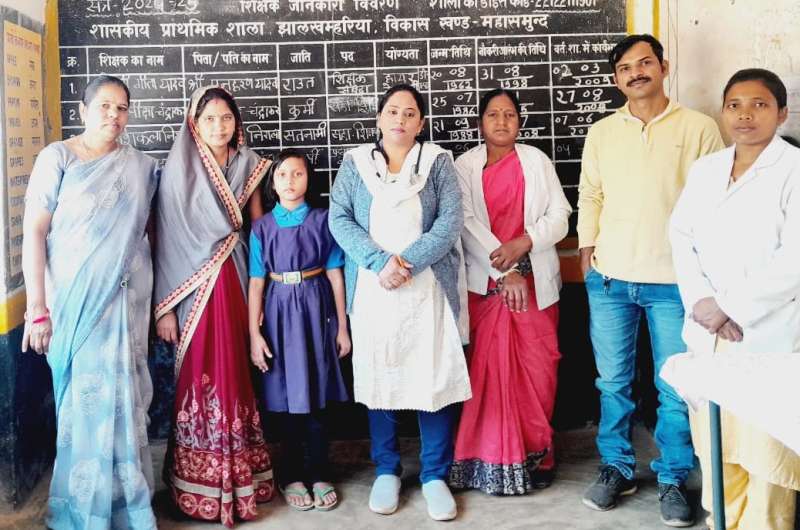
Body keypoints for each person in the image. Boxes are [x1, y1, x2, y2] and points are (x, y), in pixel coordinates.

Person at [577, 34, 724, 527]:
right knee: (612, 383)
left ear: (664, 66)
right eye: (624, 68)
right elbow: (591, 193)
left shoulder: (699, 128)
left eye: (644, 63)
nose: (635, 73)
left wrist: (705, 271)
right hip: (610, 279)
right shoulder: (602, 131)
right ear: (616, 78)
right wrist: (587, 248)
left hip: (675, 282)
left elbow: (712, 203)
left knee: (675, 386)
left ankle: (673, 477)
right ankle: (616, 467)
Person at [328, 83, 471, 521]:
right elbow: (339, 218)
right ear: (379, 119)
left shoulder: (438, 162)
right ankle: (387, 469)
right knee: (381, 378)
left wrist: (406, 262)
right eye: (392, 111)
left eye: (410, 113)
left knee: (434, 378)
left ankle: (434, 475)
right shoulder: (355, 164)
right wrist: (380, 263)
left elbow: (449, 222)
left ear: (421, 123)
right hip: (374, 289)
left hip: (428, 289)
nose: (400, 120)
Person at [22, 75, 158, 529]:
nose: (113, 116)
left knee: (127, 403)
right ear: (82, 110)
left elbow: (148, 232)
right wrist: (37, 309)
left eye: (122, 108)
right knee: (84, 406)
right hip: (76, 304)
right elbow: (35, 232)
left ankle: (129, 506)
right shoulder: (57, 157)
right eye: (104, 106)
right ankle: (84, 507)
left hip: (128, 301)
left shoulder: (141, 167)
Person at [669, 68, 800, 530]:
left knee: (766, 452)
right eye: (735, 105)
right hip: (709, 333)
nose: (745, 115)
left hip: (767, 334)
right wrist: (704, 302)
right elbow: (681, 237)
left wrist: (731, 308)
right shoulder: (707, 169)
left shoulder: (793, 169)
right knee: (717, 448)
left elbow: (793, 259)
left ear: (781, 114)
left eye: (759, 105)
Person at [153, 86, 274, 527]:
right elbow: (163, 240)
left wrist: (266, 291)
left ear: (236, 122)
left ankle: (240, 480)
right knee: (198, 376)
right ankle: (195, 483)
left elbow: (258, 231)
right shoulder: (176, 172)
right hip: (191, 294)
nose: (219, 127)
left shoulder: (248, 164)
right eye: (209, 119)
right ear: (194, 124)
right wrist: (164, 308)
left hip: (238, 282)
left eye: (226, 118)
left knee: (235, 374)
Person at [448, 88, 571, 495]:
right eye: (493, 115)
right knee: (486, 376)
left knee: (539, 371)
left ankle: (538, 455)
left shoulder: (537, 161)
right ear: (480, 122)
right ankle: (486, 459)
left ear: (520, 121)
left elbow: (561, 215)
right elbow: (464, 222)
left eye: (510, 115)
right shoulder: (464, 166)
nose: (501, 122)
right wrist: (506, 271)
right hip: (487, 286)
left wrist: (525, 241)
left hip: (536, 286)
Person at [248, 149, 351, 511]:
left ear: (310, 179)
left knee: (317, 391)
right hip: (278, 312)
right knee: (285, 395)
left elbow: (336, 275)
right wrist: (254, 334)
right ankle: (291, 474)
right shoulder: (261, 228)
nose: (290, 181)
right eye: (282, 175)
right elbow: (256, 283)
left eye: (298, 173)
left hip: (316, 308)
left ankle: (320, 472)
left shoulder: (324, 220)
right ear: (272, 183)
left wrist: (342, 326)